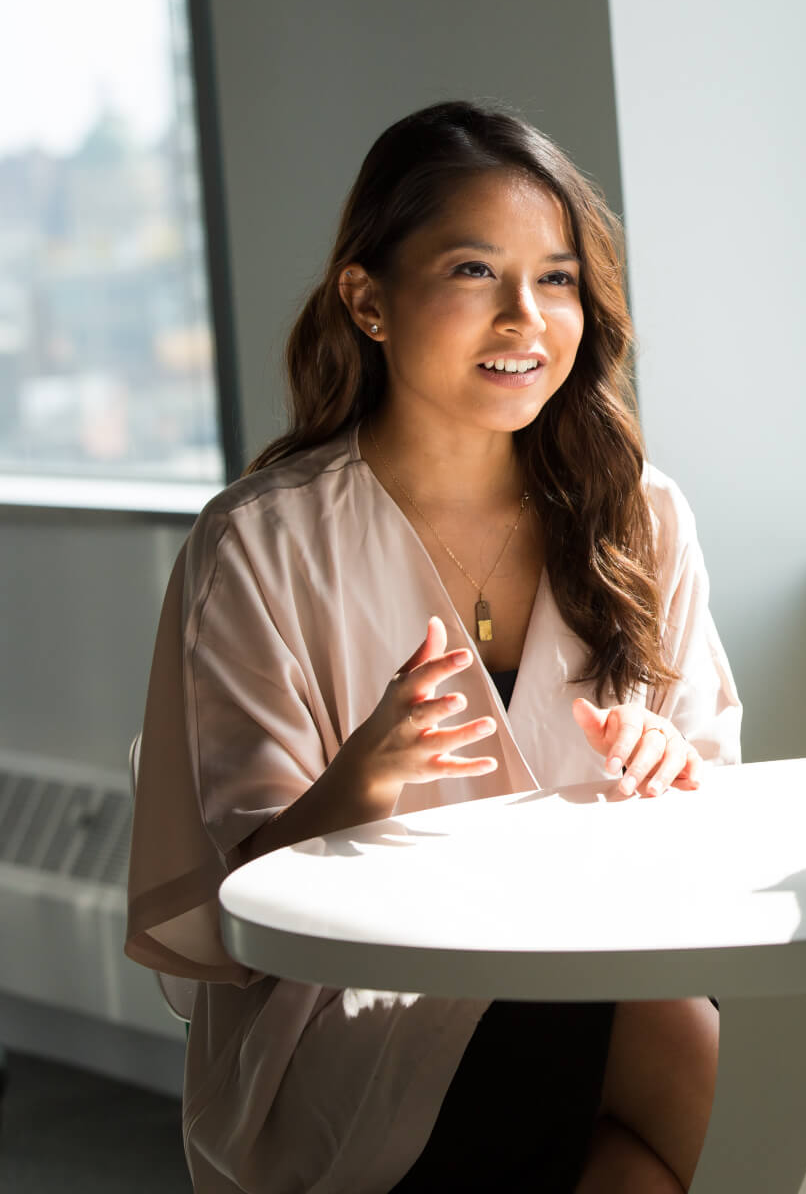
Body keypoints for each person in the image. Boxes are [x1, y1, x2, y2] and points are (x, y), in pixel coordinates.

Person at [125, 101, 740, 1194]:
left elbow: (715, 799)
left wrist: (671, 766)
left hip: (609, 965)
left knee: (655, 1104)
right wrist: (354, 789)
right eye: (473, 271)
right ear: (368, 299)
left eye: (556, 278)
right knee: (680, 1040)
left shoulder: (642, 515)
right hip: (349, 1021)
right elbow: (240, 910)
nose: (527, 318)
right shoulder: (260, 544)